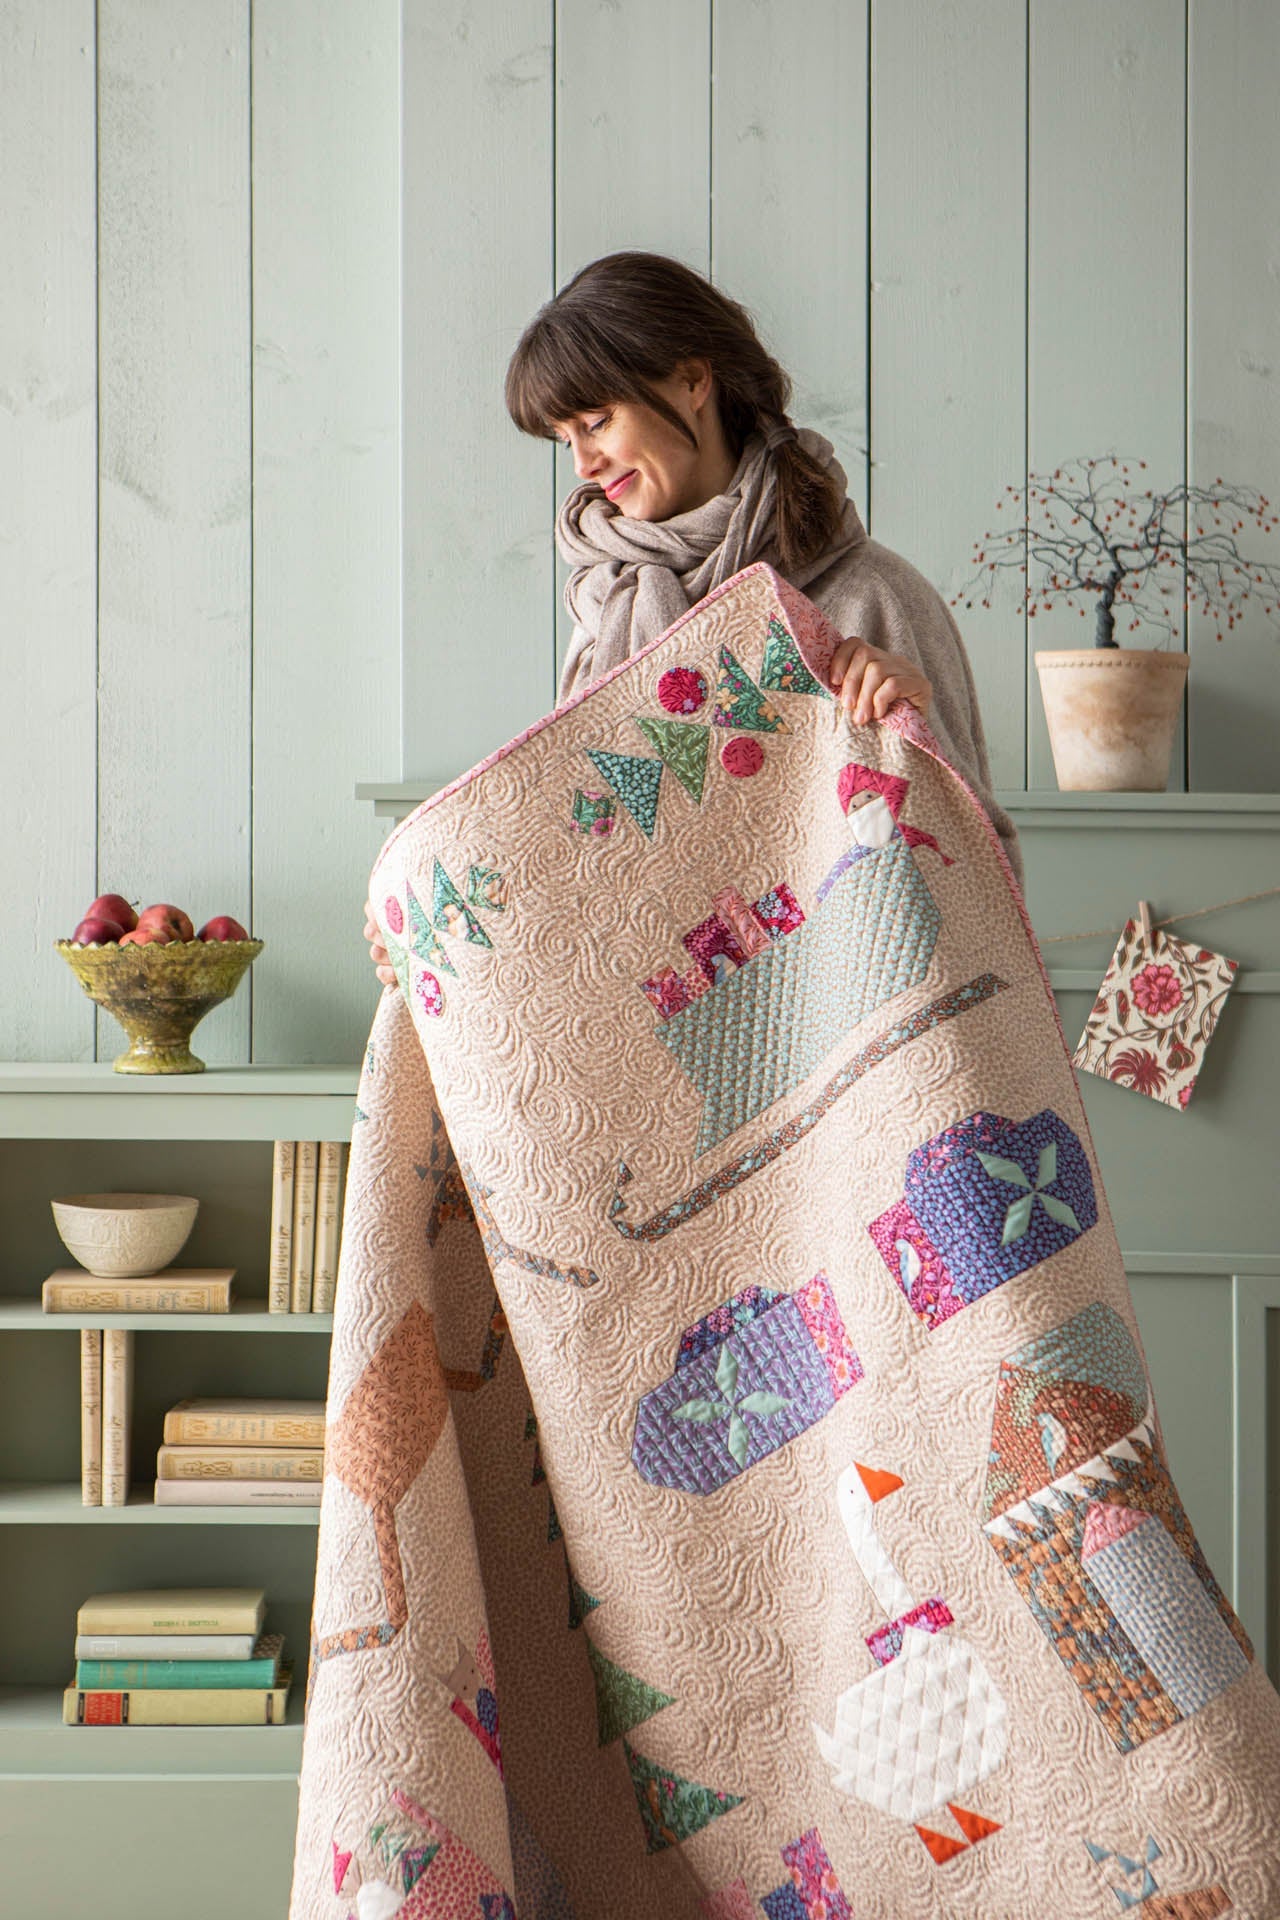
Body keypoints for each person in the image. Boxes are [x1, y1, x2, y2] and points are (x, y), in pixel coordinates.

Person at [365, 251, 1021, 984]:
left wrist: (916, 735)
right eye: (564, 439)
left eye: (596, 420)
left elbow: (986, 885)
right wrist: (437, 946)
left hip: (836, 1024)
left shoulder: (873, 596)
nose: (582, 462)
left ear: (692, 379)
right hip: (657, 1030)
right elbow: (583, 867)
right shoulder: (609, 612)